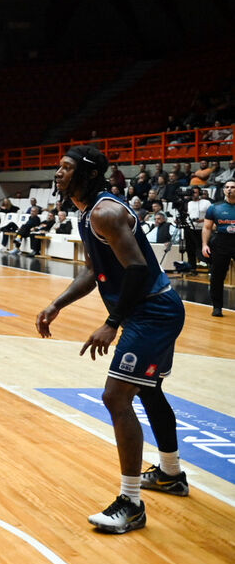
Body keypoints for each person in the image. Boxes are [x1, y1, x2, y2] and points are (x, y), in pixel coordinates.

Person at [36, 145, 188, 535]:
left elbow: (137, 268)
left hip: (151, 311)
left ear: (86, 174)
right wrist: (58, 304)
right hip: (149, 309)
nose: (58, 173)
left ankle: (131, 503)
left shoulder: (105, 212)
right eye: (58, 167)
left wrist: (112, 322)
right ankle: (171, 474)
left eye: (66, 168)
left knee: (115, 397)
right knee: (149, 391)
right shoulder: (88, 213)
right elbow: (94, 270)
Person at [202, 179, 235, 317]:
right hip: (221, 242)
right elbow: (207, 227)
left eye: (233, 187)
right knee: (217, 276)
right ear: (223, 190)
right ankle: (217, 307)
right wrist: (204, 244)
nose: (230, 189)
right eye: (227, 187)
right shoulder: (214, 207)